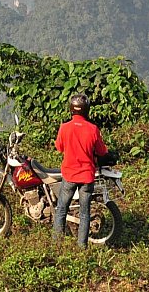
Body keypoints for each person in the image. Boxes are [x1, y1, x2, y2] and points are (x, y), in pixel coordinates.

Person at [52, 93, 108, 249]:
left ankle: (57, 245)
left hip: (69, 175)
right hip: (86, 177)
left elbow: (59, 147)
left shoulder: (64, 127)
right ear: (86, 109)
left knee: (61, 209)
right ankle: (82, 247)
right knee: (84, 213)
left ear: (71, 109)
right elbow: (102, 151)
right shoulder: (93, 129)